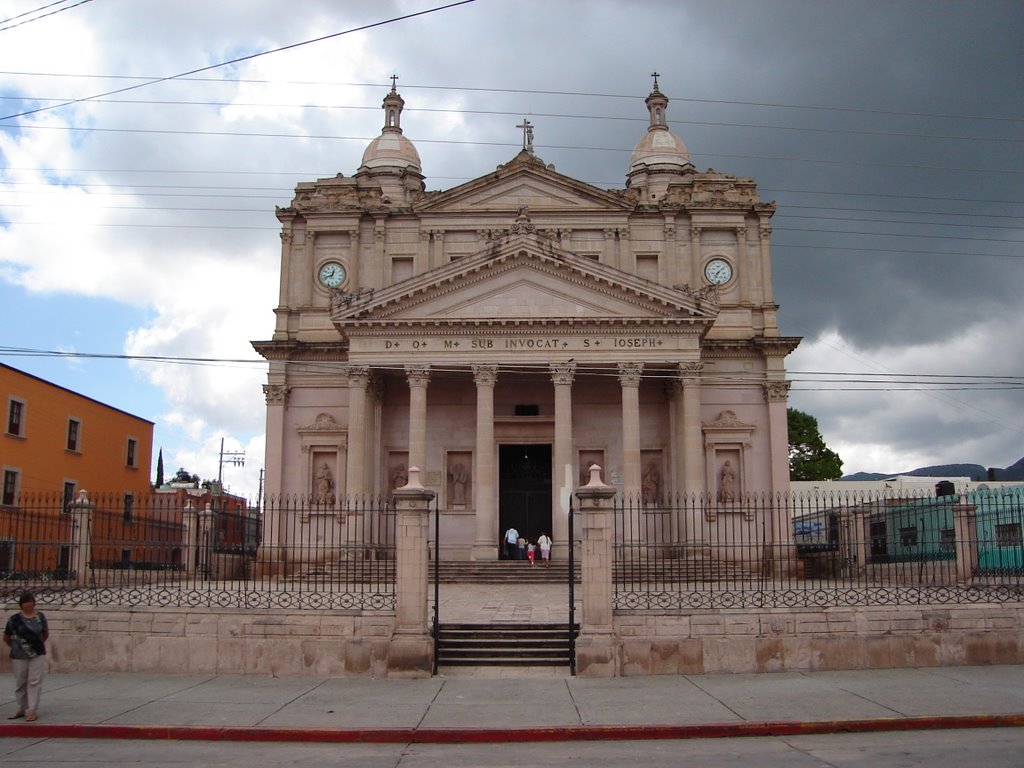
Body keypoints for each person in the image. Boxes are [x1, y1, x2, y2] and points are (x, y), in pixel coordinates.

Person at [4, 592, 48, 722]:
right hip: (19, 655)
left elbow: (45, 634)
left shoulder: (40, 617)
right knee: (20, 682)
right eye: (25, 602)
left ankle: (32, 709)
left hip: (37, 653)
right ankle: (21, 707)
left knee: (34, 681)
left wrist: (35, 645)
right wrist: (19, 646)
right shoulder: (14, 619)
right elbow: (7, 637)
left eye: (30, 601)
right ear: (21, 605)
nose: (28, 604)